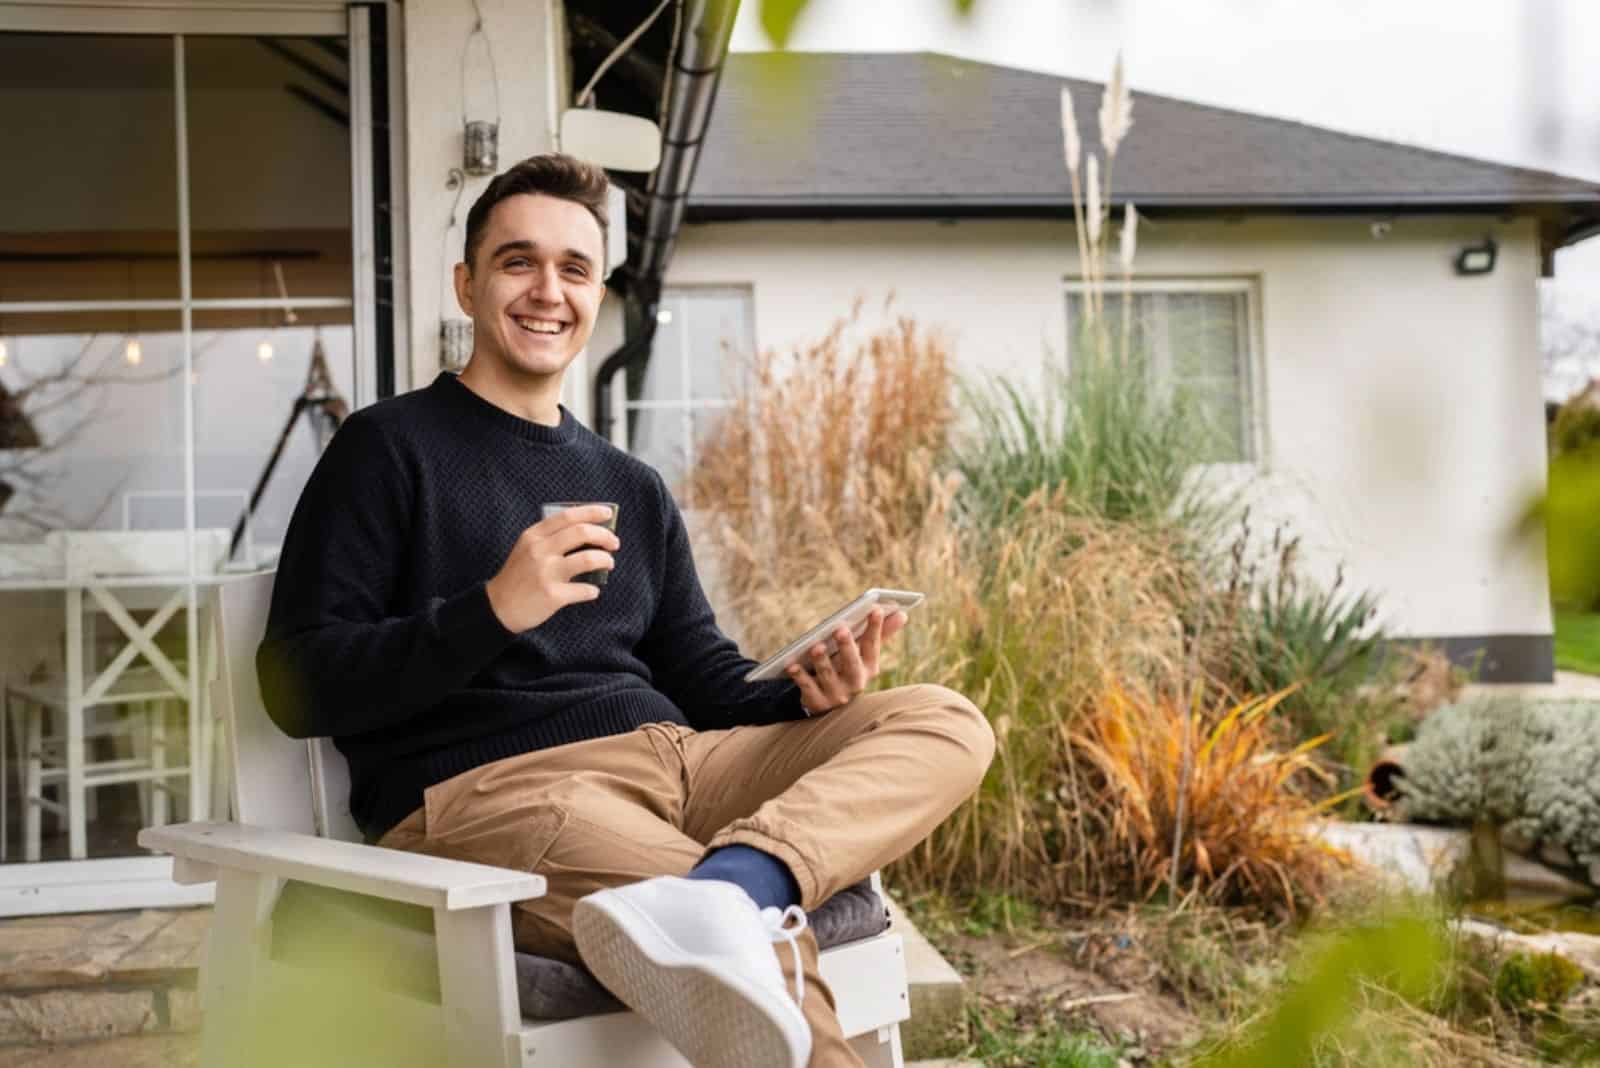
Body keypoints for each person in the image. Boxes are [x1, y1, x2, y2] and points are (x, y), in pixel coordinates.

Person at [258, 153, 994, 1068]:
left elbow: (704, 676)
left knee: (944, 721)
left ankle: (739, 878)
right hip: (502, 792)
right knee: (749, 945)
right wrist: (492, 609)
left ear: (596, 297)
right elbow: (297, 686)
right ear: (467, 283)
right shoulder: (387, 449)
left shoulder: (629, 486)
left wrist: (801, 693)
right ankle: (730, 900)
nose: (547, 291)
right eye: (518, 262)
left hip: (681, 765)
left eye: (574, 269)